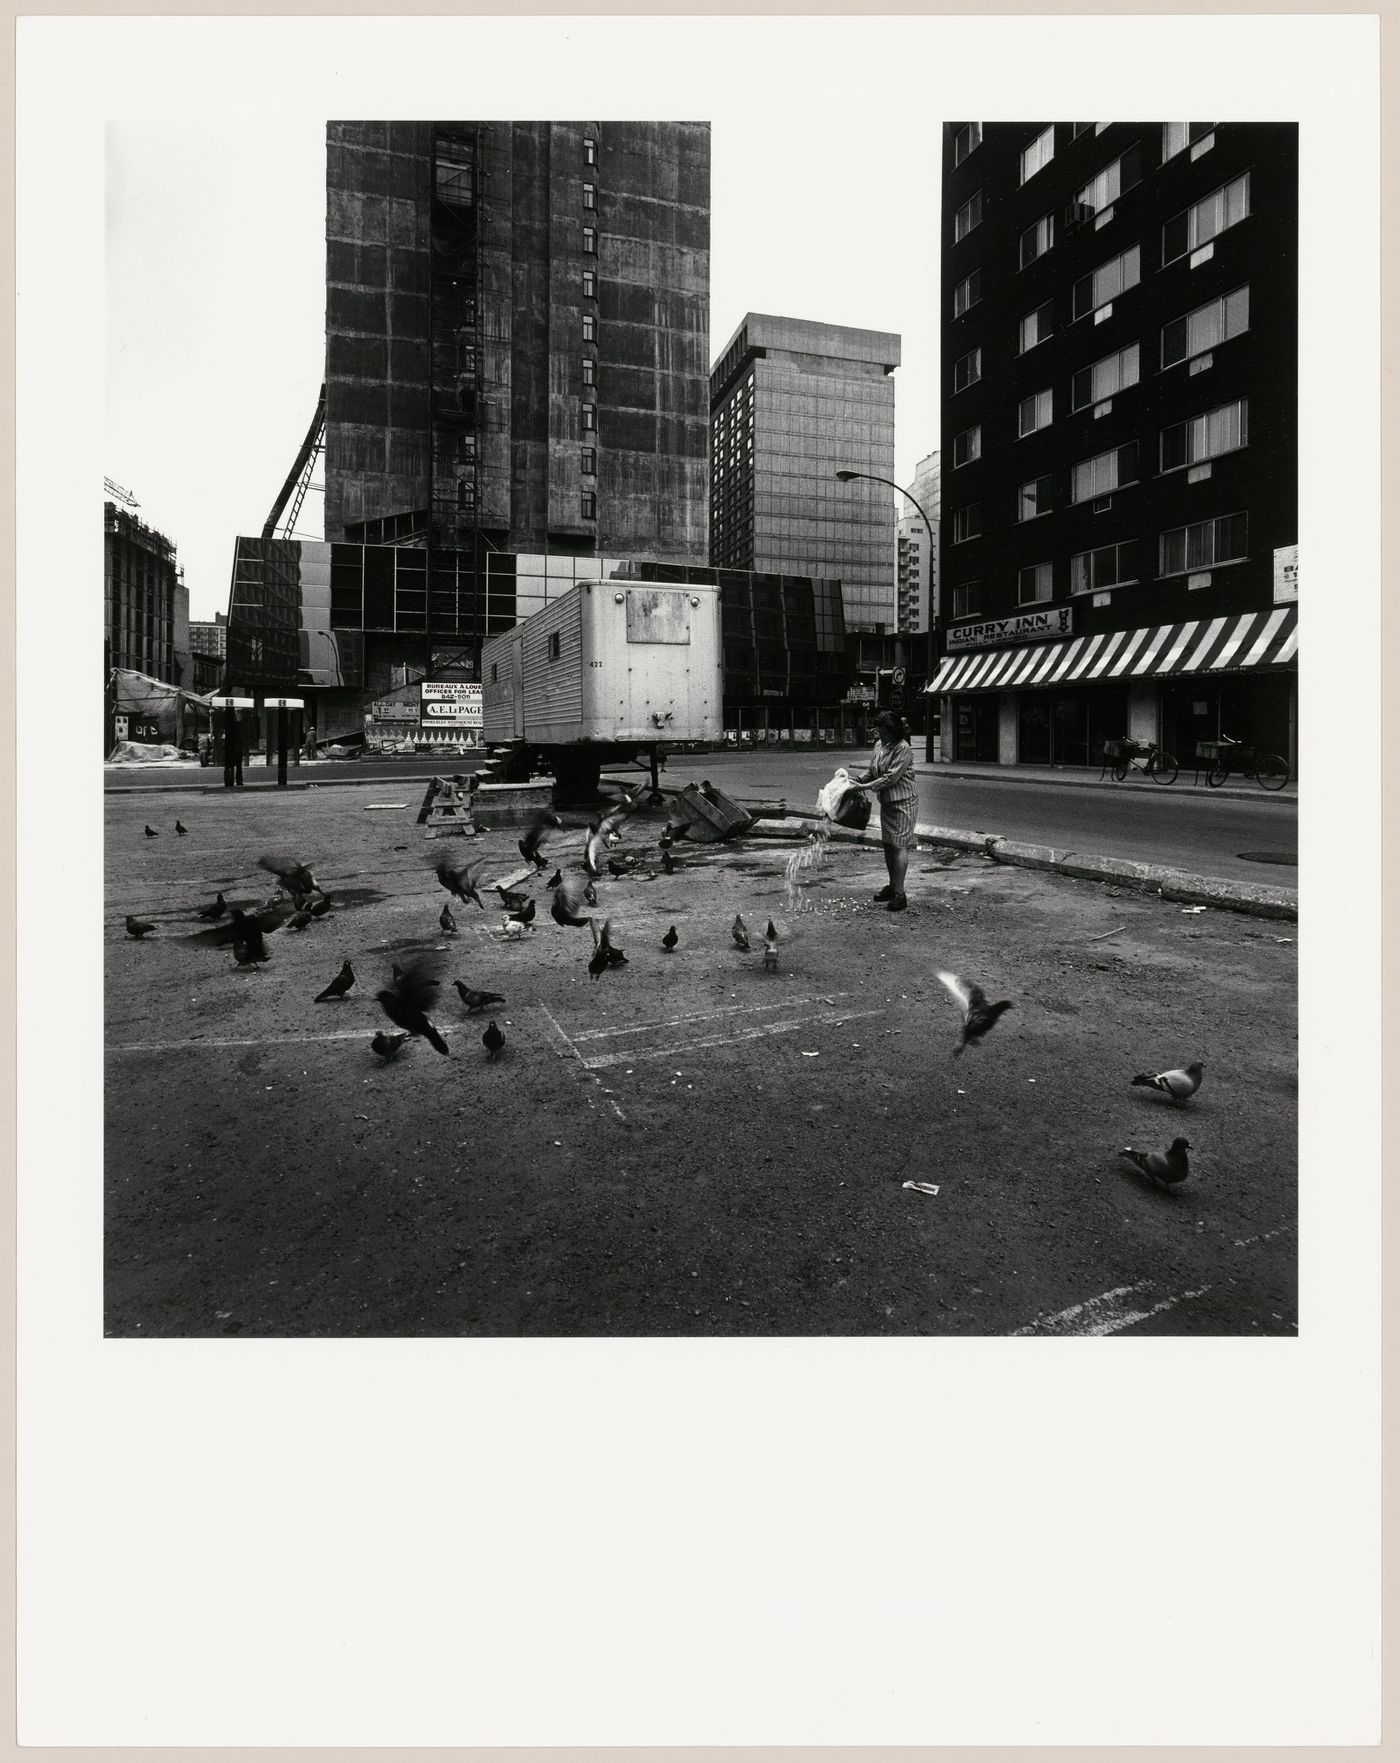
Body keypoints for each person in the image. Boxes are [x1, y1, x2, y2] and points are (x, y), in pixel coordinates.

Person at [852, 710, 919, 911]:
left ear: (892, 732)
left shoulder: (903, 749)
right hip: (887, 802)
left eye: (882, 732)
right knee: (888, 844)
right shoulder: (880, 745)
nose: (879, 735)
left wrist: (862, 788)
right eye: (878, 731)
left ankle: (900, 894)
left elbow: (890, 777)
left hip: (903, 802)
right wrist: (857, 779)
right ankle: (892, 886)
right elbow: (873, 770)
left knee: (898, 845)